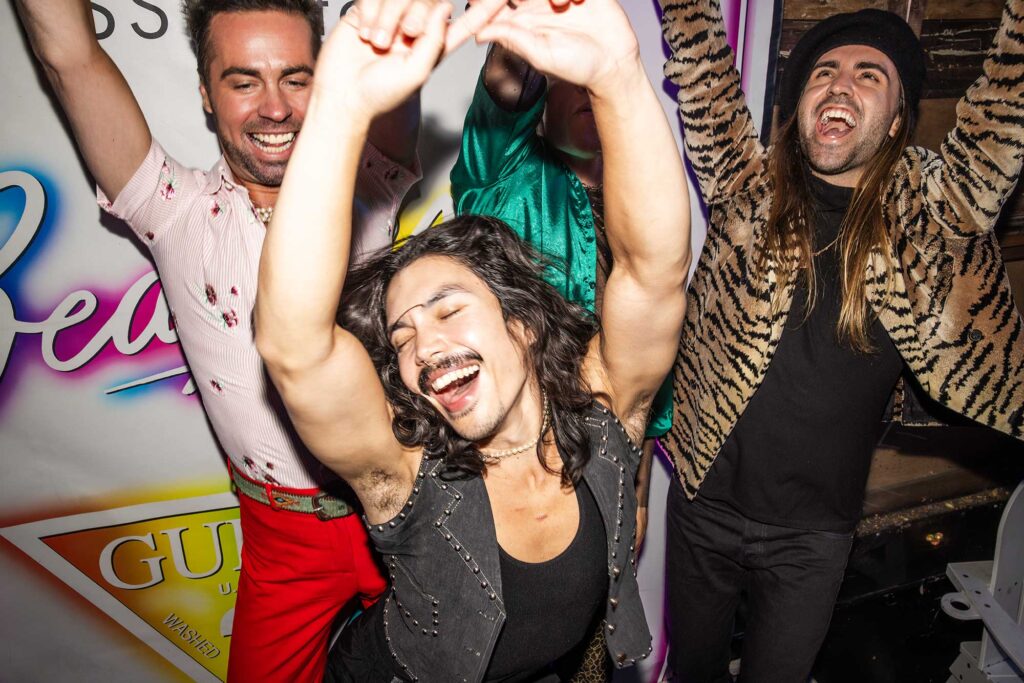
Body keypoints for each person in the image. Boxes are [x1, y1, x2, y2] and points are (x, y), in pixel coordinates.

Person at [253, 0, 692, 680]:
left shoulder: (604, 419)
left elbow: (653, 274)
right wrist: (338, 105)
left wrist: (620, 76)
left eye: (447, 308)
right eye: (403, 335)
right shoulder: (405, 471)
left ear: (520, 322)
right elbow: (294, 347)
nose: (424, 344)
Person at [12, 1, 424, 679]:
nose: (275, 108)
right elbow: (70, 57)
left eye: (296, 78)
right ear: (205, 93)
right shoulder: (171, 207)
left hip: (409, 504)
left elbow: (399, 60)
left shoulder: (370, 179)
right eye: (243, 81)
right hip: (282, 540)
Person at [657, 0, 1024, 681]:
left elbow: (1009, 97)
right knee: (692, 672)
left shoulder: (936, 214)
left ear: (894, 123)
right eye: (823, 72)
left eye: (868, 75)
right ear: (800, 108)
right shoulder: (749, 185)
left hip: (813, 538)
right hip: (703, 510)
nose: (838, 84)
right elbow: (704, 71)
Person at [450, 43, 678, 548]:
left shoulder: (646, 208)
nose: (589, 87)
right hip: (508, 475)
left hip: (606, 466)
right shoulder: (501, 175)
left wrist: (638, 495)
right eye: (570, 75)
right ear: (541, 104)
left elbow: (650, 377)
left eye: (596, 75)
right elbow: (505, 83)